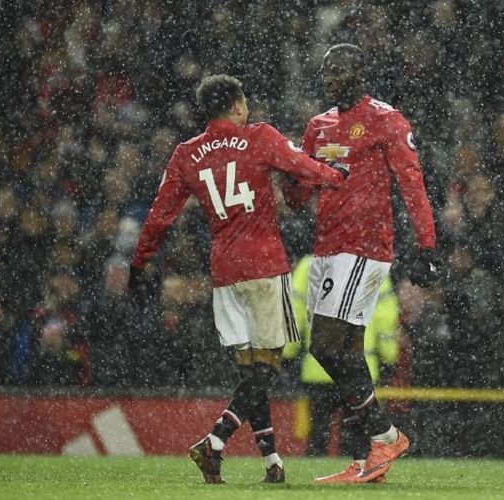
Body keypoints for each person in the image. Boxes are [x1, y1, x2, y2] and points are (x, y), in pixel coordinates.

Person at [128, 74, 347, 484]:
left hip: (225, 272)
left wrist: (139, 264)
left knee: (250, 371)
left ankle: (272, 464)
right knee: (268, 366)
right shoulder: (259, 137)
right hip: (263, 266)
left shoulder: (186, 154)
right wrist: (338, 176)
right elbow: (304, 167)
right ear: (238, 105)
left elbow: (160, 215)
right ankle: (214, 441)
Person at [282, 43, 438, 483]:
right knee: (345, 353)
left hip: (364, 247)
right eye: (327, 71)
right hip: (325, 250)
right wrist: (291, 168)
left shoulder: (386, 120)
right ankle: (367, 458)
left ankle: (386, 435)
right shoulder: (319, 126)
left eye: (341, 71)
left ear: (361, 73)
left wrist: (427, 246)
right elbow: (298, 200)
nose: (332, 78)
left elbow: (412, 182)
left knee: (327, 346)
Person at [283, 254, 401, 458]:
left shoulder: (310, 264)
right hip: (360, 365)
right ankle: (358, 469)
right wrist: (389, 357)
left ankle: (316, 478)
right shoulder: (371, 264)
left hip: (318, 367)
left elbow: (295, 311)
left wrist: (287, 353)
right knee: (356, 431)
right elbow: (385, 317)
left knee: (318, 432)